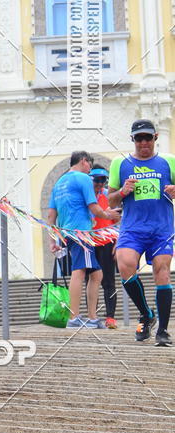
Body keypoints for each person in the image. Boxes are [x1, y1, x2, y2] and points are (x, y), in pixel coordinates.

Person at [108, 119, 175, 346]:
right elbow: (110, 199)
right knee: (124, 264)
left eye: (148, 137)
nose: (143, 142)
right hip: (133, 228)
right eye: (139, 138)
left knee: (162, 271)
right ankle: (146, 314)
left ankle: (163, 331)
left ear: (155, 137)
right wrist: (123, 191)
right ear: (132, 140)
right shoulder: (120, 163)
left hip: (161, 228)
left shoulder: (168, 161)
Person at [47, 150, 119, 328]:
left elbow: (50, 215)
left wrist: (52, 241)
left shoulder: (59, 183)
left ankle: (92, 317)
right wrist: (109, 214)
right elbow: (94, 207)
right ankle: (74, 317)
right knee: (79, 271)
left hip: (68, 233)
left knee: (97, 274)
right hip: (81, 232)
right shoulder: (83, 179)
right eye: (89, 165)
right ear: (84, 161)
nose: (90, 171)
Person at [88, 166, 119, 329]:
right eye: (97, 180)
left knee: (109, 281)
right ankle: (92, 317)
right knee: (90, 281)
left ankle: (110, 318)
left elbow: (119, 219)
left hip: (107, 242)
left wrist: (118, 243)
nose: (100, 183)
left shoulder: (107, 195)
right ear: (90, 179)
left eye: (103, 180)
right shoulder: (85, 195)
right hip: (89, 243)